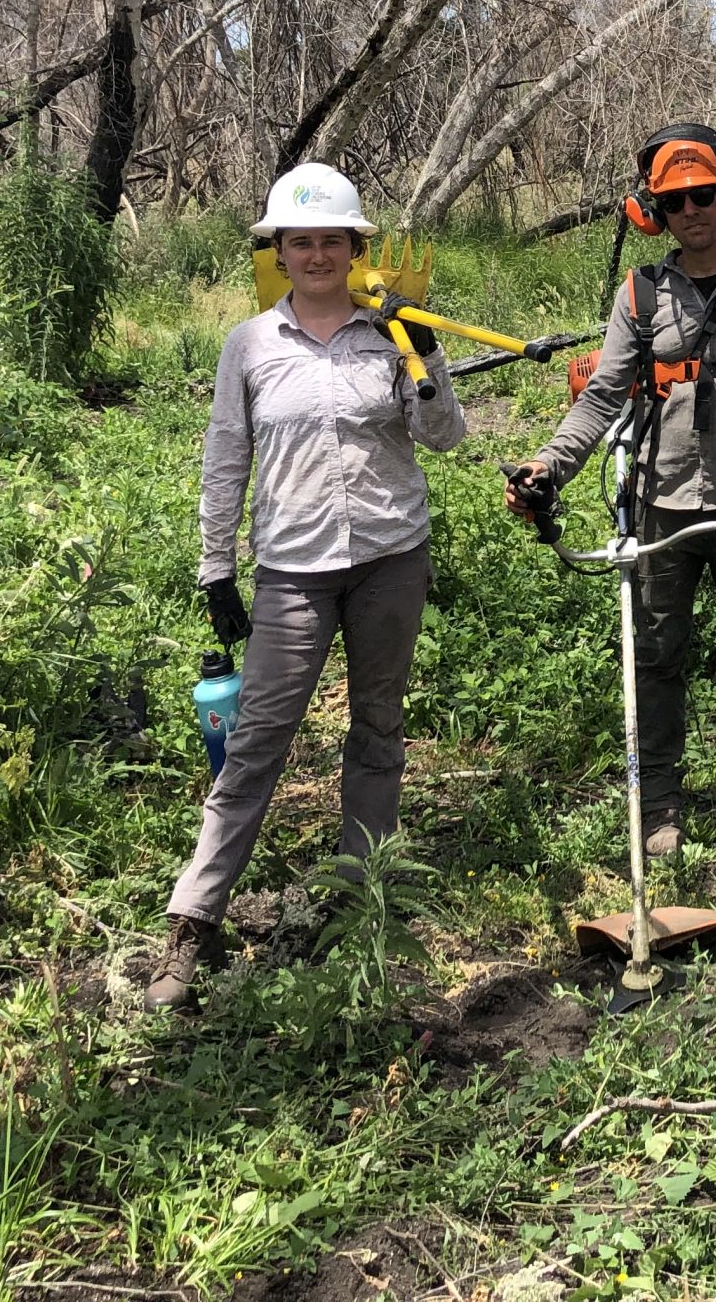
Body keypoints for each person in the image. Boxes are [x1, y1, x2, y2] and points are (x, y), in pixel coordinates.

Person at [152, 163, 468, 1010]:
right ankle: (193, 923)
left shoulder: (391, 333)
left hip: (390, 558)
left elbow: (445, 438)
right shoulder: (250, 345)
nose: (318, 252)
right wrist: (216, 566)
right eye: (301, 240)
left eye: (334, 238)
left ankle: (362, 896)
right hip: (292, 568)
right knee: (257, 741)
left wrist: (426, 353)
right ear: (277, 252)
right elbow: (226, 460)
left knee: (377, 729)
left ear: (357, 247)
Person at [510, 124, 716, 861]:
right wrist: (549, 467)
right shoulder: (641, 293)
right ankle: (659, 809)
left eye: (704, 196)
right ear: (653, 213)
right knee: (658, 657)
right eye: (674, 202)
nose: (692, 211)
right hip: (661, 506)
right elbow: (599, 400)